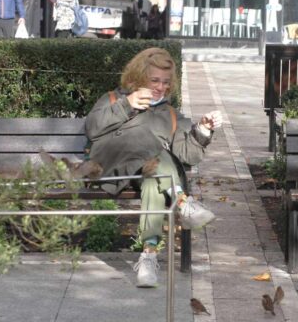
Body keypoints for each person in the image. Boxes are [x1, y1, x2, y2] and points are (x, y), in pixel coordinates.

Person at [85, 47, 220, 288]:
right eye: (154, 80)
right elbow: (92, 128)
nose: (161, 87)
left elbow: (187, 155)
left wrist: (203, 131)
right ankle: (181, 201)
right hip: (113, 167)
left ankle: (148, 257)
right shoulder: (114, 99)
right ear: (138, 76)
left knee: (155, 180)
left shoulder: (171, 115)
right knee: (148, 141)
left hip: (149, 173)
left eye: (166, 82)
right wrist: (128, 105)